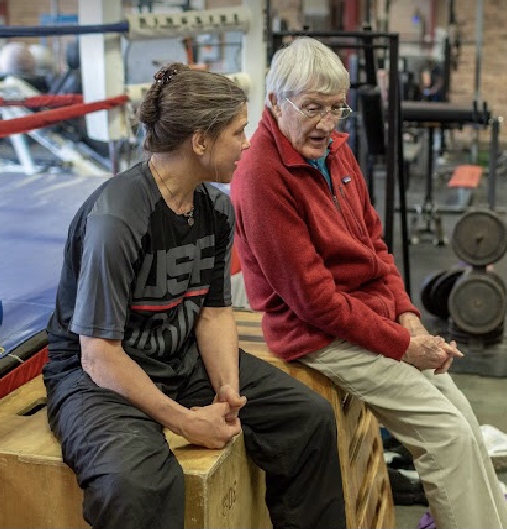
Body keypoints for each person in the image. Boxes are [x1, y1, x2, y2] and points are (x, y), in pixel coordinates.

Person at [230, 37, 507, 529]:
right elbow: (316, 303)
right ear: (275, 103)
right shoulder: (260, 178)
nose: (327, 123)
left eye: (335, 108)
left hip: (372, 317)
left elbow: (374, 244)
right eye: (313, 108)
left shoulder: (336, 151)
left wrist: (407, 313)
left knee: (462, 415)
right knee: (445, 435)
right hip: (319, 336)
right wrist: (406, 346)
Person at [42, 62, 346, 529]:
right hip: (97, 376)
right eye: (237, 132)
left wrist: (227, 389)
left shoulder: (215, 207)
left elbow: (214, 313)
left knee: (308, 419)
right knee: (137, 486)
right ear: (200, 142)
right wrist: (186, 421)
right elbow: (99, 355)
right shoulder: (118, 217)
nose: (248, 144)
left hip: (180, 356)